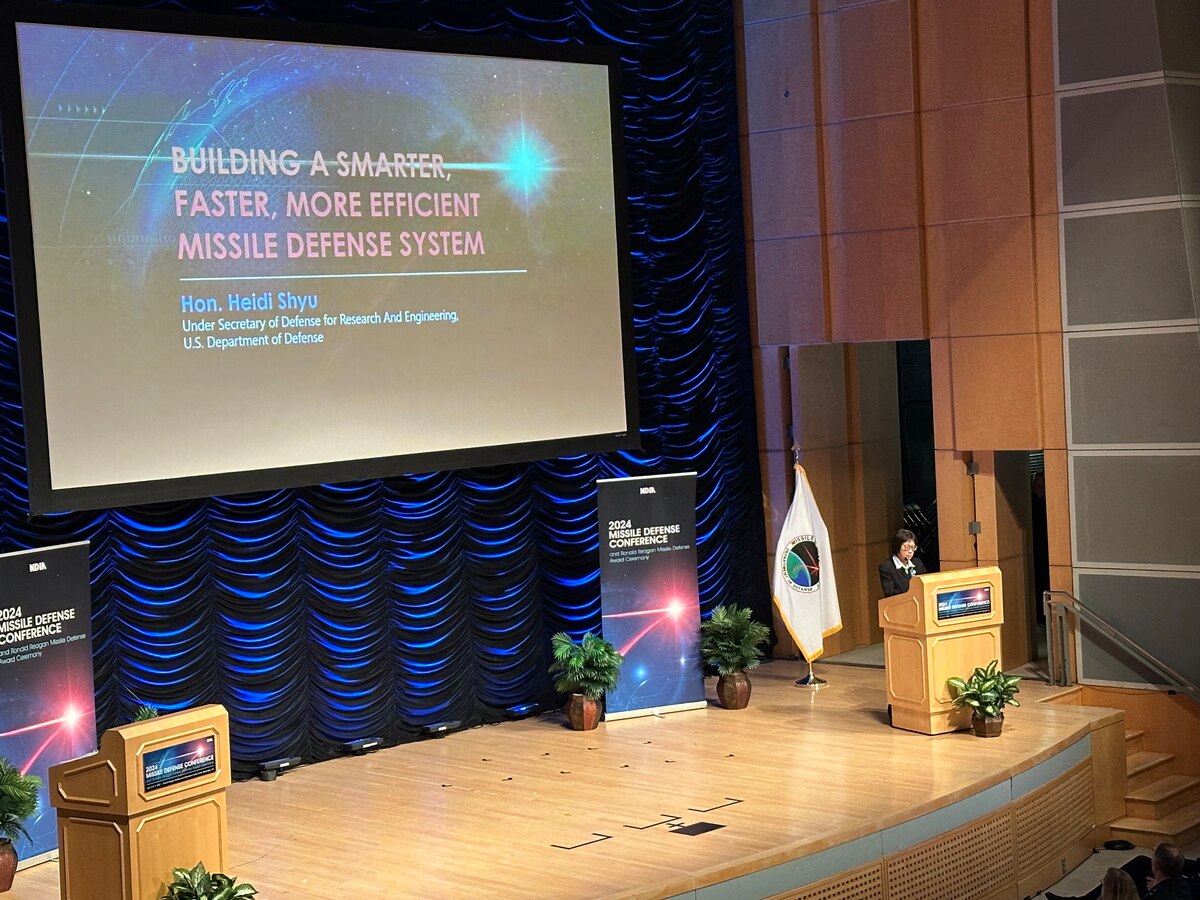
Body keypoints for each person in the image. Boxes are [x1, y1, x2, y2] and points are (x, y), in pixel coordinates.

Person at [1046, 842, 1199, 900]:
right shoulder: (1180, 886)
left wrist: (1161, 888)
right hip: (1181, 883)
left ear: (1156, 867)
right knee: (1140, 862)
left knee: (1115, 879)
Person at [878, 528, 926, 597]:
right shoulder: (886, 567)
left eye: (913, 547)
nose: (910, 551)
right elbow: (889, 593)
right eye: (906, 547)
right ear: (897, 547)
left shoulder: (917, 563)